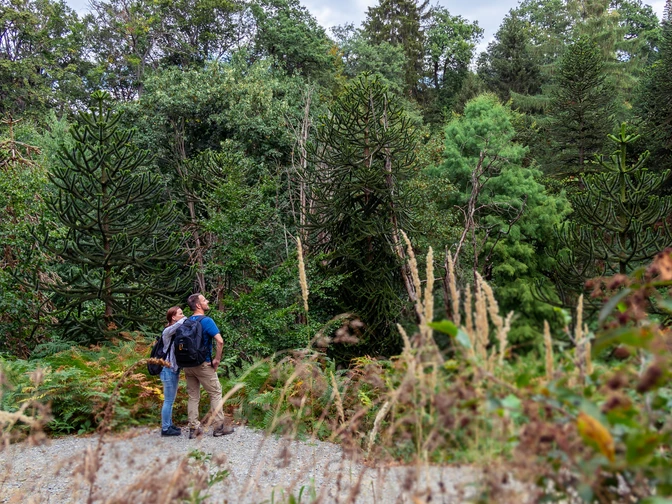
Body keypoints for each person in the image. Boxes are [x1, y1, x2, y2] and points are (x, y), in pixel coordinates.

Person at [184, 293, 234, 438]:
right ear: (198, 305)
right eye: (204, 300)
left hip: (188, 365)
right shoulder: (206, 321)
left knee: (193, 396)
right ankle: (219, 427)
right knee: (215, 392)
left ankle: (193, 429)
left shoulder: (187, 321)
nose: (207, 301)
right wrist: (217, 360)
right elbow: (220, 341)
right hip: (203, 364)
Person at [159, 306, 186, 437]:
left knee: (171, 399)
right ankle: (165, 428)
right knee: (168, 400)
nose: (183, 316)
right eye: (180, 314)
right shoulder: (167, 332)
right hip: (167, 370)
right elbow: (178, 325)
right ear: (173, 317)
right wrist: (187, 319)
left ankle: (169, 424)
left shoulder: (175, 332)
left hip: (174, 370)